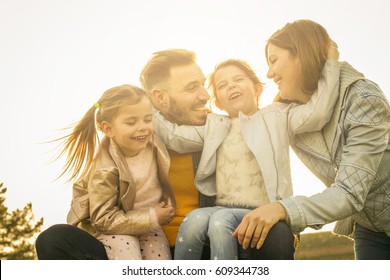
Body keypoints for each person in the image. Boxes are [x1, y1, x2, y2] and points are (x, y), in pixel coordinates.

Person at [153, 48, 340, 260]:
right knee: (194, 219)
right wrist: (147, 102)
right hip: (223, 206)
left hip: (264, 207)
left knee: (220, 222)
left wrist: (331, 63)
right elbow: (173, 136)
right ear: (219, 103)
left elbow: (318, 112)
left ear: (258, 89)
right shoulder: (215, 126)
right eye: (222, 85)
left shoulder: (277, 116)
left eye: (238, 79)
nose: (231, 85)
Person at [233, 19, 390, 260]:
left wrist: (283, 209)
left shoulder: (363, 98)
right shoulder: (289, 114)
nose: (269, 73)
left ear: (301, 54)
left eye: (274, 60)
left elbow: (349, 191)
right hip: (369, 229)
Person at [35, 49, 213, 260]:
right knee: (54, 239)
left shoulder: (218, 132)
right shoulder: (124, 142)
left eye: (204, 84)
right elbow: (100, 208)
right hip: (126, 238)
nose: (206, 95)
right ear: (160, 97)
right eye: (192, 87)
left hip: (198, 247)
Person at [37, 85, 176, 260]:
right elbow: (104, 219)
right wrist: (152, 217)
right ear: (108, 129)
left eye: (147, 119)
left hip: (149, 225)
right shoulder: (105, 169)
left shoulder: (154, 144)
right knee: (128, 257)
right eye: (131, 122)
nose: (143, 127)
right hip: (114, 227)